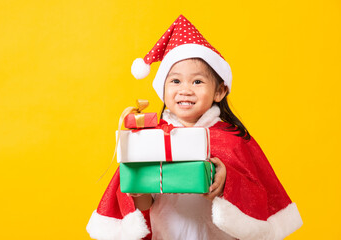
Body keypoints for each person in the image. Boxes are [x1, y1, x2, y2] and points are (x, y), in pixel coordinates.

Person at [86, 15, 303, 240]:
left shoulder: (232, 140)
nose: (185, 90)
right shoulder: (151, 139)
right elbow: (145, 205)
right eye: (176, 81)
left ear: (219, 91)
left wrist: (226, 181)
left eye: (197, 81)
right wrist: (137, 190)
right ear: (163, 89)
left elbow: (255, 193)